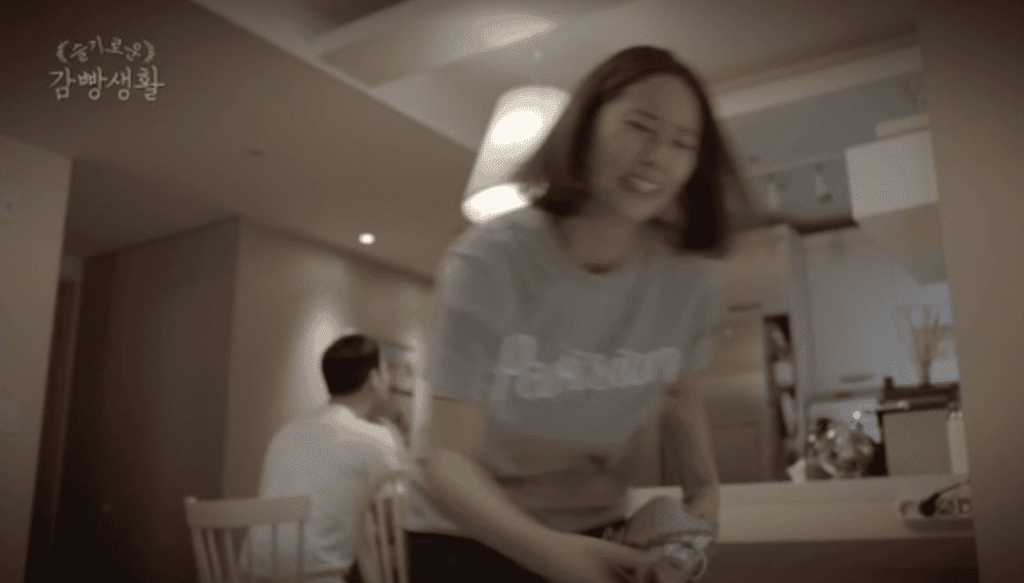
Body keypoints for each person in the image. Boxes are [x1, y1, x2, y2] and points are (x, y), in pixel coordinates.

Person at [407, 46, 742, 583]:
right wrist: (551, 555)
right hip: (467, 535)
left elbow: (681, 391)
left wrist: (704, 489)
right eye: (641, 127)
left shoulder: (689, 279)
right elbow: (445, 461)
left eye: (684, 143)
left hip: (597, 526)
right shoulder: (489, 262)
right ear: (584, 128)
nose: (659, 156)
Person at [243, 334, 403, 583]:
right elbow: (395, 524)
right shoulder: (377, 438)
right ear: (374, 378)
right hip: (315, 578)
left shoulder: (287, 431)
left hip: (250, 574)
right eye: (385, 370)